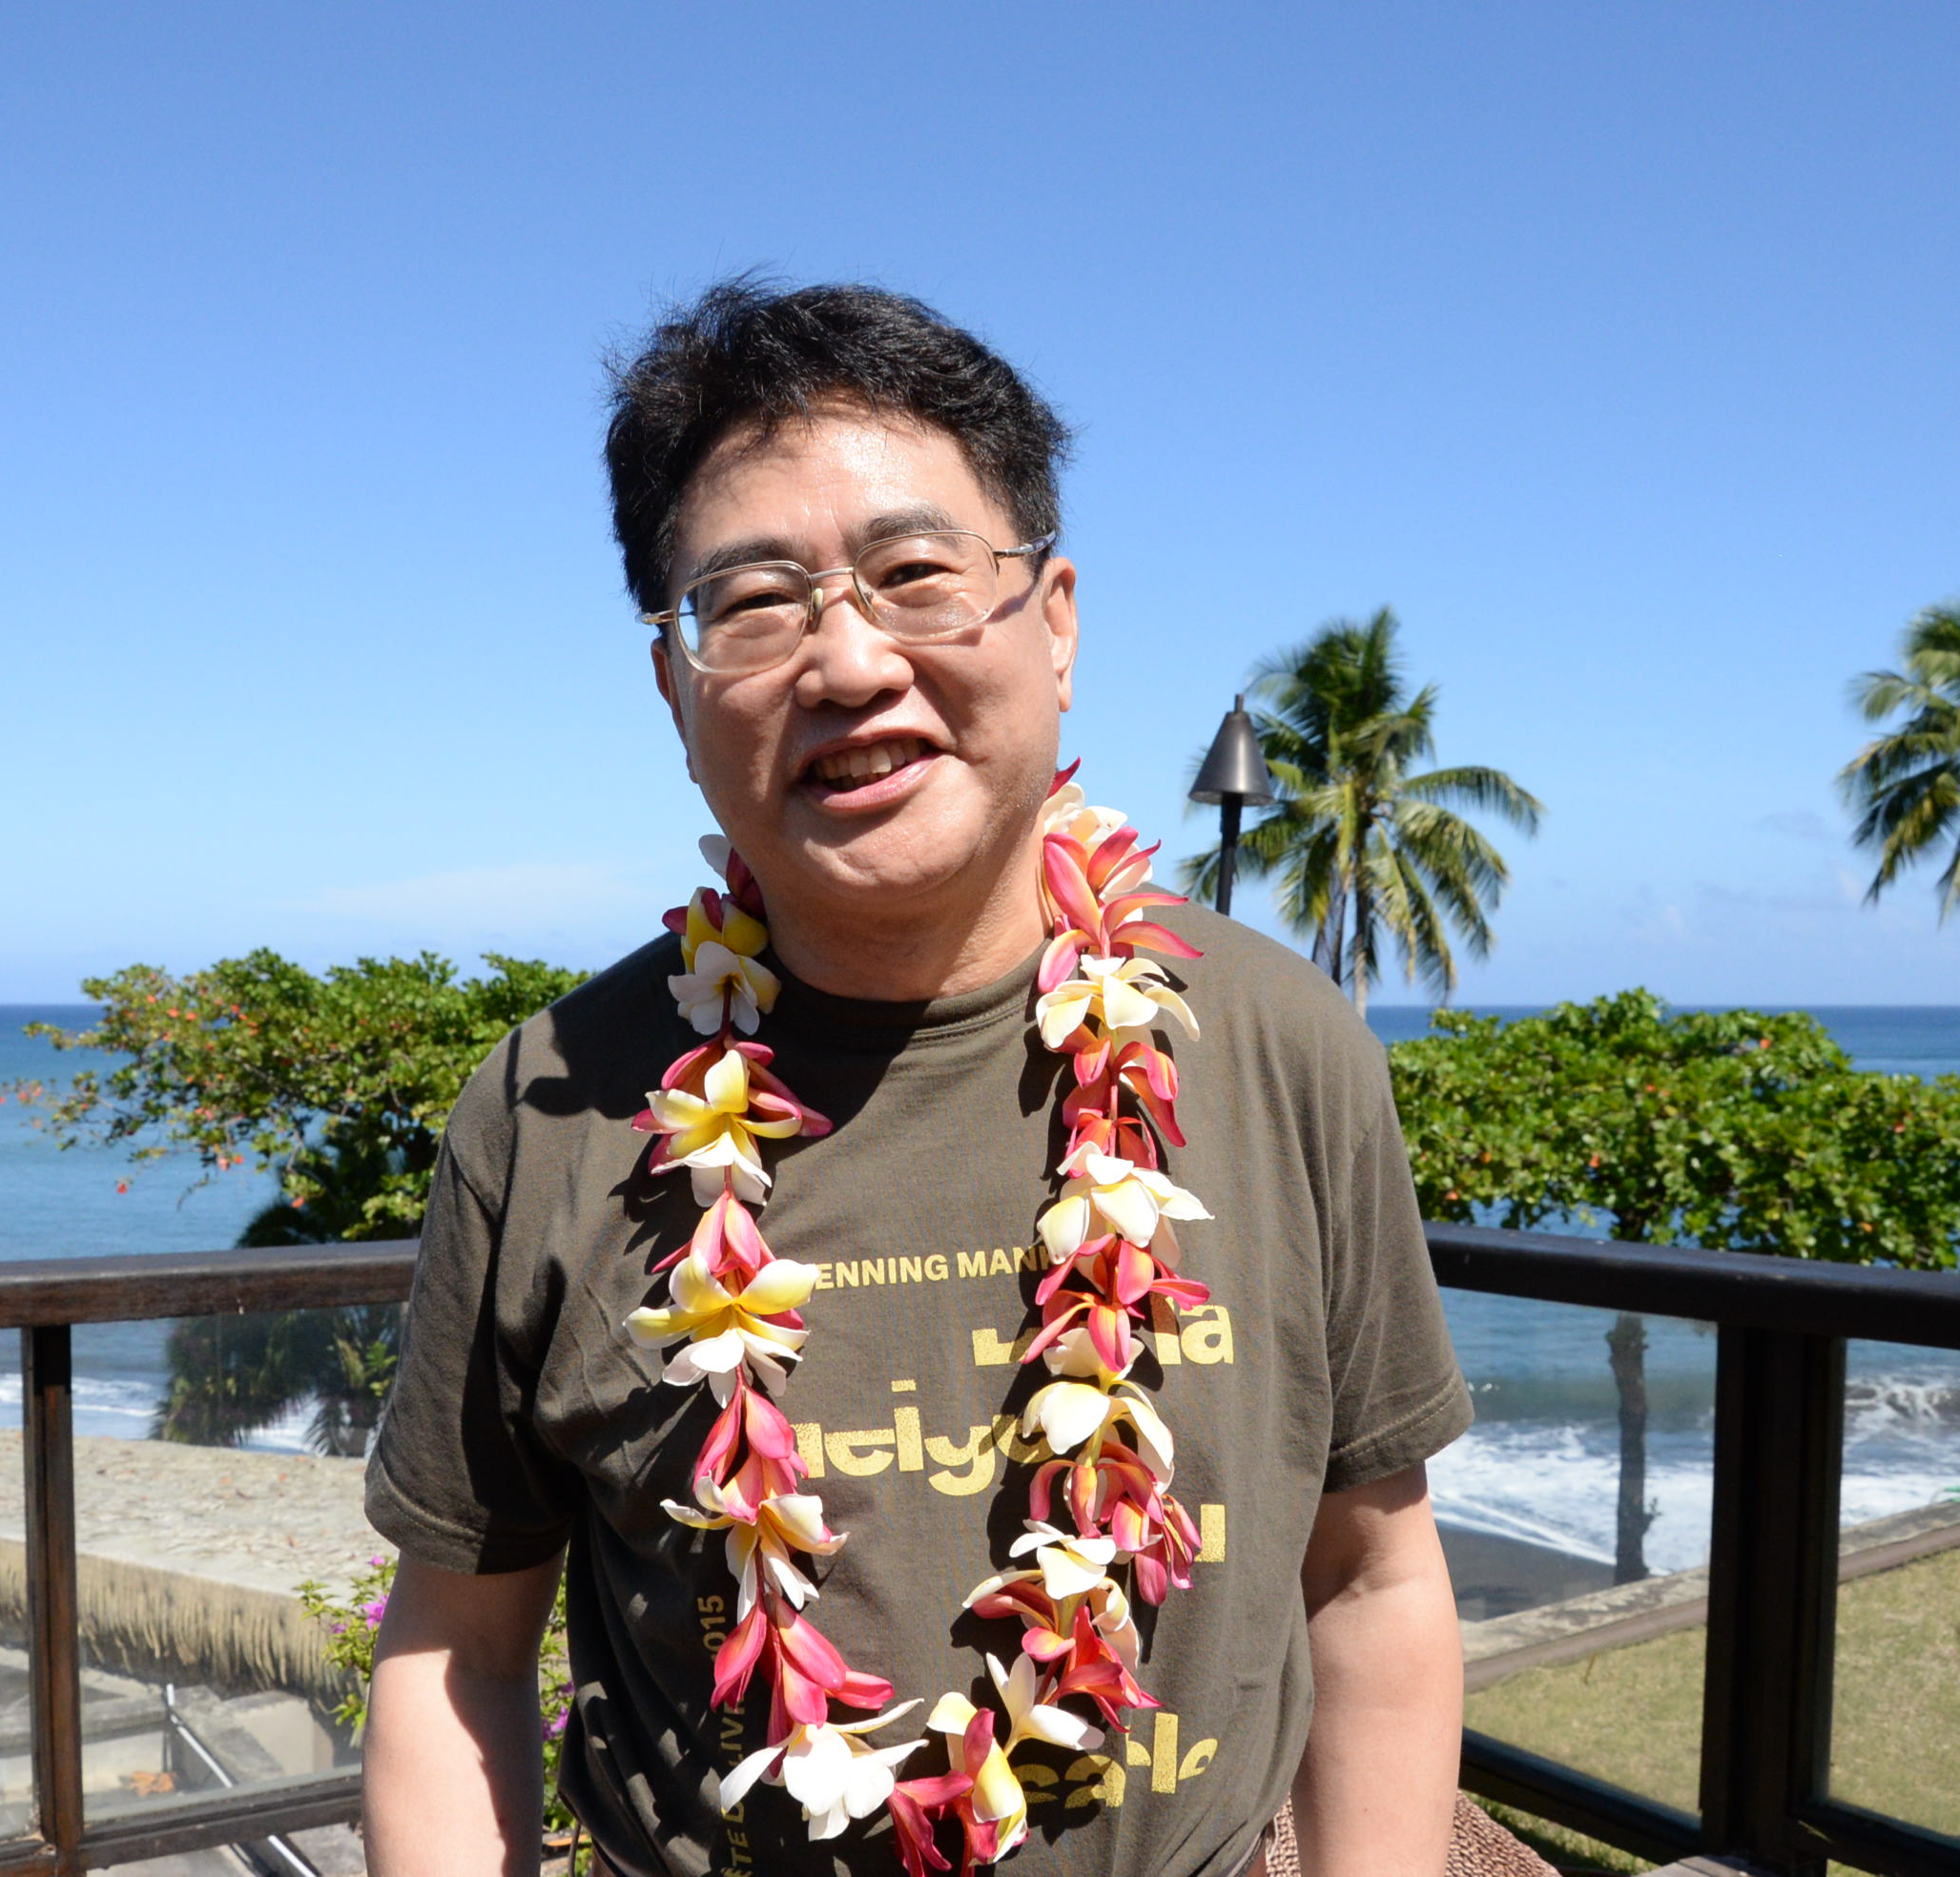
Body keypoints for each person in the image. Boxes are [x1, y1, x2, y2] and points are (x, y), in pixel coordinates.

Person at [361, 280, 1471, 1877]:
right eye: (752, 603)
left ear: (1058, 620)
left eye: (915, 573)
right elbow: (455, 1652)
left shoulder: (1285, 1049)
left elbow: (1370, 1583)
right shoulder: (557, 1103)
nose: (849, 660)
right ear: (677, 693)